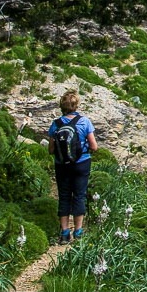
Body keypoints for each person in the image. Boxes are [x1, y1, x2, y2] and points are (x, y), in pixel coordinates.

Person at [48, 90, 98, 244]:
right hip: (82, 163)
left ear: (62, 106)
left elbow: (51, 150)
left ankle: (64, 233)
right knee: (79, 195)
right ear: (76, 105)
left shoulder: (55, 124)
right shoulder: (85, 122)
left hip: (62, 165)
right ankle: (78, 231)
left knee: (64, 196)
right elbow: (94, 146)